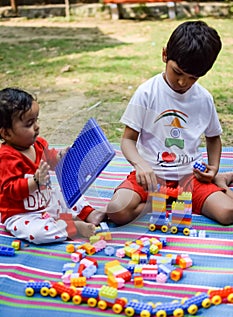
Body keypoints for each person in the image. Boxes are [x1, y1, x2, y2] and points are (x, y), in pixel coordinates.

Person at [107, 20, 233, 226]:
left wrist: (214, 168)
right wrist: (141, 165)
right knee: (116, 211)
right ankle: (167, 202)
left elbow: (213, 138)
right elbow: (128, 141)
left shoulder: (204, 98)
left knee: (228, 213)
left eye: (193, 77)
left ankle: (221, 181)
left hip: (190, 178)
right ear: (165, 55)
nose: (183, 82)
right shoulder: (147, 92)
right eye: (177, 72)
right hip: (151, 178)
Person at [0, 87, 105, 244]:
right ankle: (73, 227)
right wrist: (34, 182)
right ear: (6, 134)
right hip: (23, 214)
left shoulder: (38, 145)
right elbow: (9, 190)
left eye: (36, 120)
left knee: (67, 193)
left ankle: (88, 213)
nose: (36, 127)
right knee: (37, 233)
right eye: (29, 124)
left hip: (47, 200)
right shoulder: (6, 157)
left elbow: (52, 159)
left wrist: (60, 156)